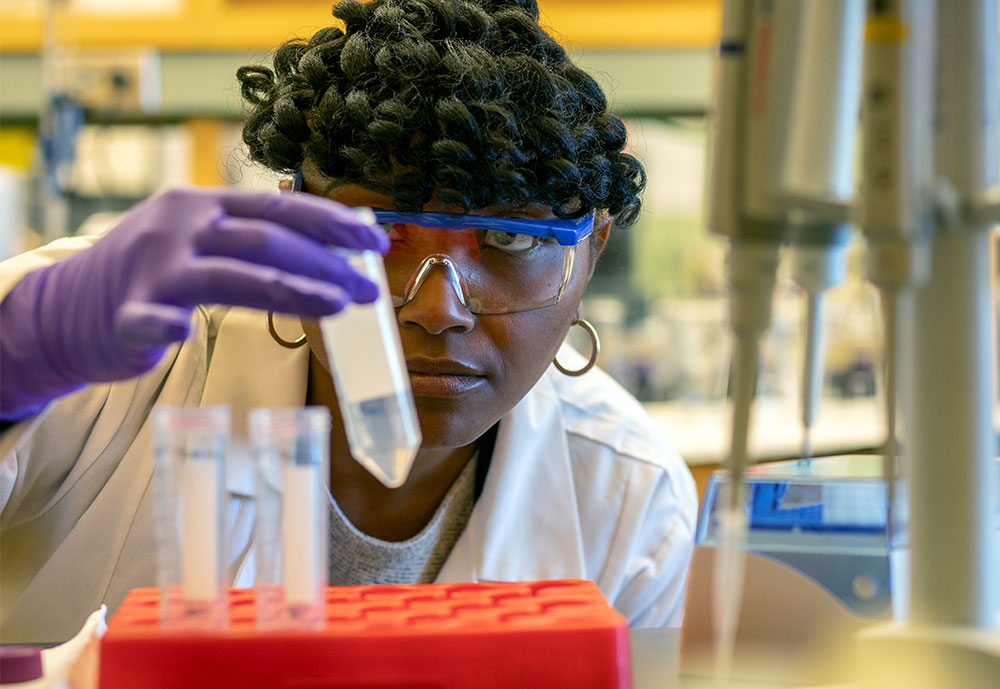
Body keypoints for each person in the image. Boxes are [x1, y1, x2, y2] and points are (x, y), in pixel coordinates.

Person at [0, 0, 696, 643]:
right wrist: (18, 354)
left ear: (593, 246)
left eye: (509, 240)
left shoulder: (627, 496)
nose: (437, 308)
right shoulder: (123, 354)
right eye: (378, 232)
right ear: (298, 213)